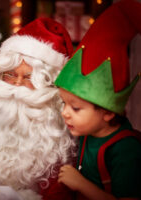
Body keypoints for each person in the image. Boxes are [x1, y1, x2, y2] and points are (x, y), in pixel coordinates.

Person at [0, 17, 77, 200]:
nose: (17, 84)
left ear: (46, 83)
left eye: (29, 78)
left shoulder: (55, 129)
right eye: (10, 75)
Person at [54, 0, 141, 199]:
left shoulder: (125, 150)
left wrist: (80, 183)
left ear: (108, 112)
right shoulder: (87, 133)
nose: (64, 112)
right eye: (64, 103)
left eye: (75, 108)